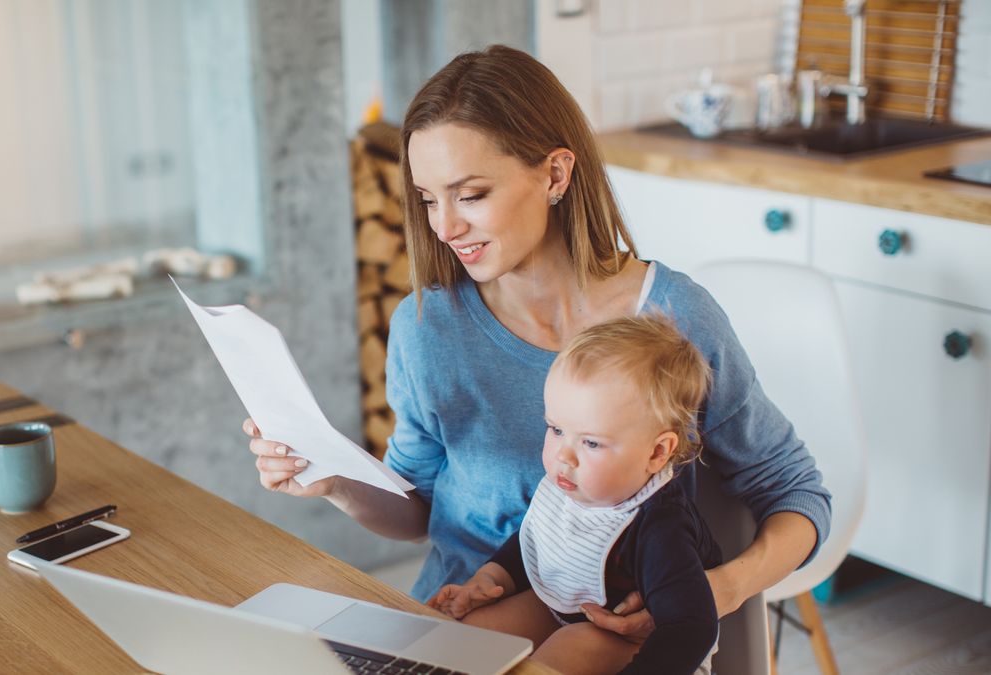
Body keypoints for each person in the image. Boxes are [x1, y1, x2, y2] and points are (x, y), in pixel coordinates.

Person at [244, 44, 830, 669]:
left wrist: (720, 589)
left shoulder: (675, 319)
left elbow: (795, 491)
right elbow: (416, 509)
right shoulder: (426, 326)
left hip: (610, 638)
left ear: (555, 175)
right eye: (426, 199)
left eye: (469, 195)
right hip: (458, 617)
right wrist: (336, 479)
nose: (443, 228)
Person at [428, 315, 721, 674]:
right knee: (473, 635)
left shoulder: (659, 525)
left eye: (592, 442)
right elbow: (539, 542)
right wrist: (489, 579)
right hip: (568, 613)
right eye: (556, 429)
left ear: (657, 453)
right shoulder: (574, 483)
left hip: (654, 651)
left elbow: (692, 628)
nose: (564, 455)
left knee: (570, 648)